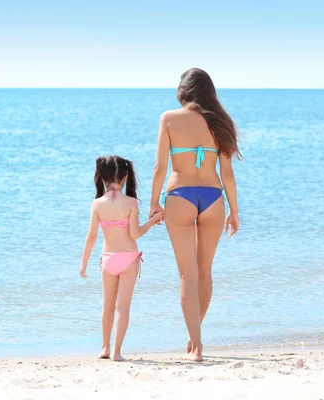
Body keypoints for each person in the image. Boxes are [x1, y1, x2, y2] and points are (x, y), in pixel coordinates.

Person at [149, 68, 241, 362]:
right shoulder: (221, 122)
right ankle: (195, 337)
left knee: (187, 276)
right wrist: (234, 210)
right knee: (204, 273)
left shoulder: (169, 118)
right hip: (214, 198)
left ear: (183, 91)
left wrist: (153, 203)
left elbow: (160, 168)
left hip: (180, 196)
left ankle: (197, 347)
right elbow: (227, 172)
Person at [80, 155, 164, 361]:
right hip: (128, 259)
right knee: (123, 307)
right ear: (125, 177)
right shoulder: (132, 202)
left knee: (107, 305)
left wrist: (83, 264)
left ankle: (105, 348)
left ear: (102, 178)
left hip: (108, 259)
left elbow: (91, 236)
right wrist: (153, 220)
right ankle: (117, 352)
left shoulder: (97, 204)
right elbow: (135, 234)